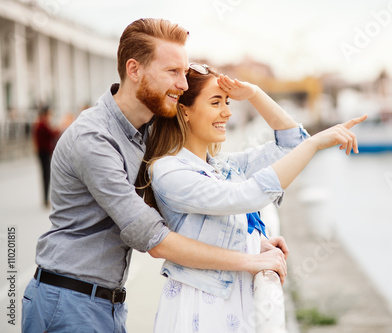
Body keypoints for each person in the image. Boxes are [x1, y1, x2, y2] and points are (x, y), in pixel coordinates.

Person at [21, 18, 287, 333]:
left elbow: (203, 183)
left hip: (106, 302)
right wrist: (251, 260)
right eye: (173, 72)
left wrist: (251, 241)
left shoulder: (148, 131)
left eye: (184, 72)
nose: (184, 84)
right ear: (134, 70)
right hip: (68, 301)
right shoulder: (92, 139)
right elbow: (154, 239)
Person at [137, 64, 367, 332]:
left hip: (235, 299)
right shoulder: (169, 170)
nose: (227, 111)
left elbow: (290, 145)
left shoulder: (222, 165)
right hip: (201, 304)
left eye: (227, 101)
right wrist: (314, 143)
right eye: (215, 102)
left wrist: (255, 93)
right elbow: (244, 196)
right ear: (184, 110)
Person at [32, 105, 59, 207]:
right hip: (44, 152)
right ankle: (45, 199)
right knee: (46, 175)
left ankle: (45, 198)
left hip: (42, 152)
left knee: (46, 175)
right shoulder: (42, 125)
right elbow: (52, 134)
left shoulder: (39, 124)